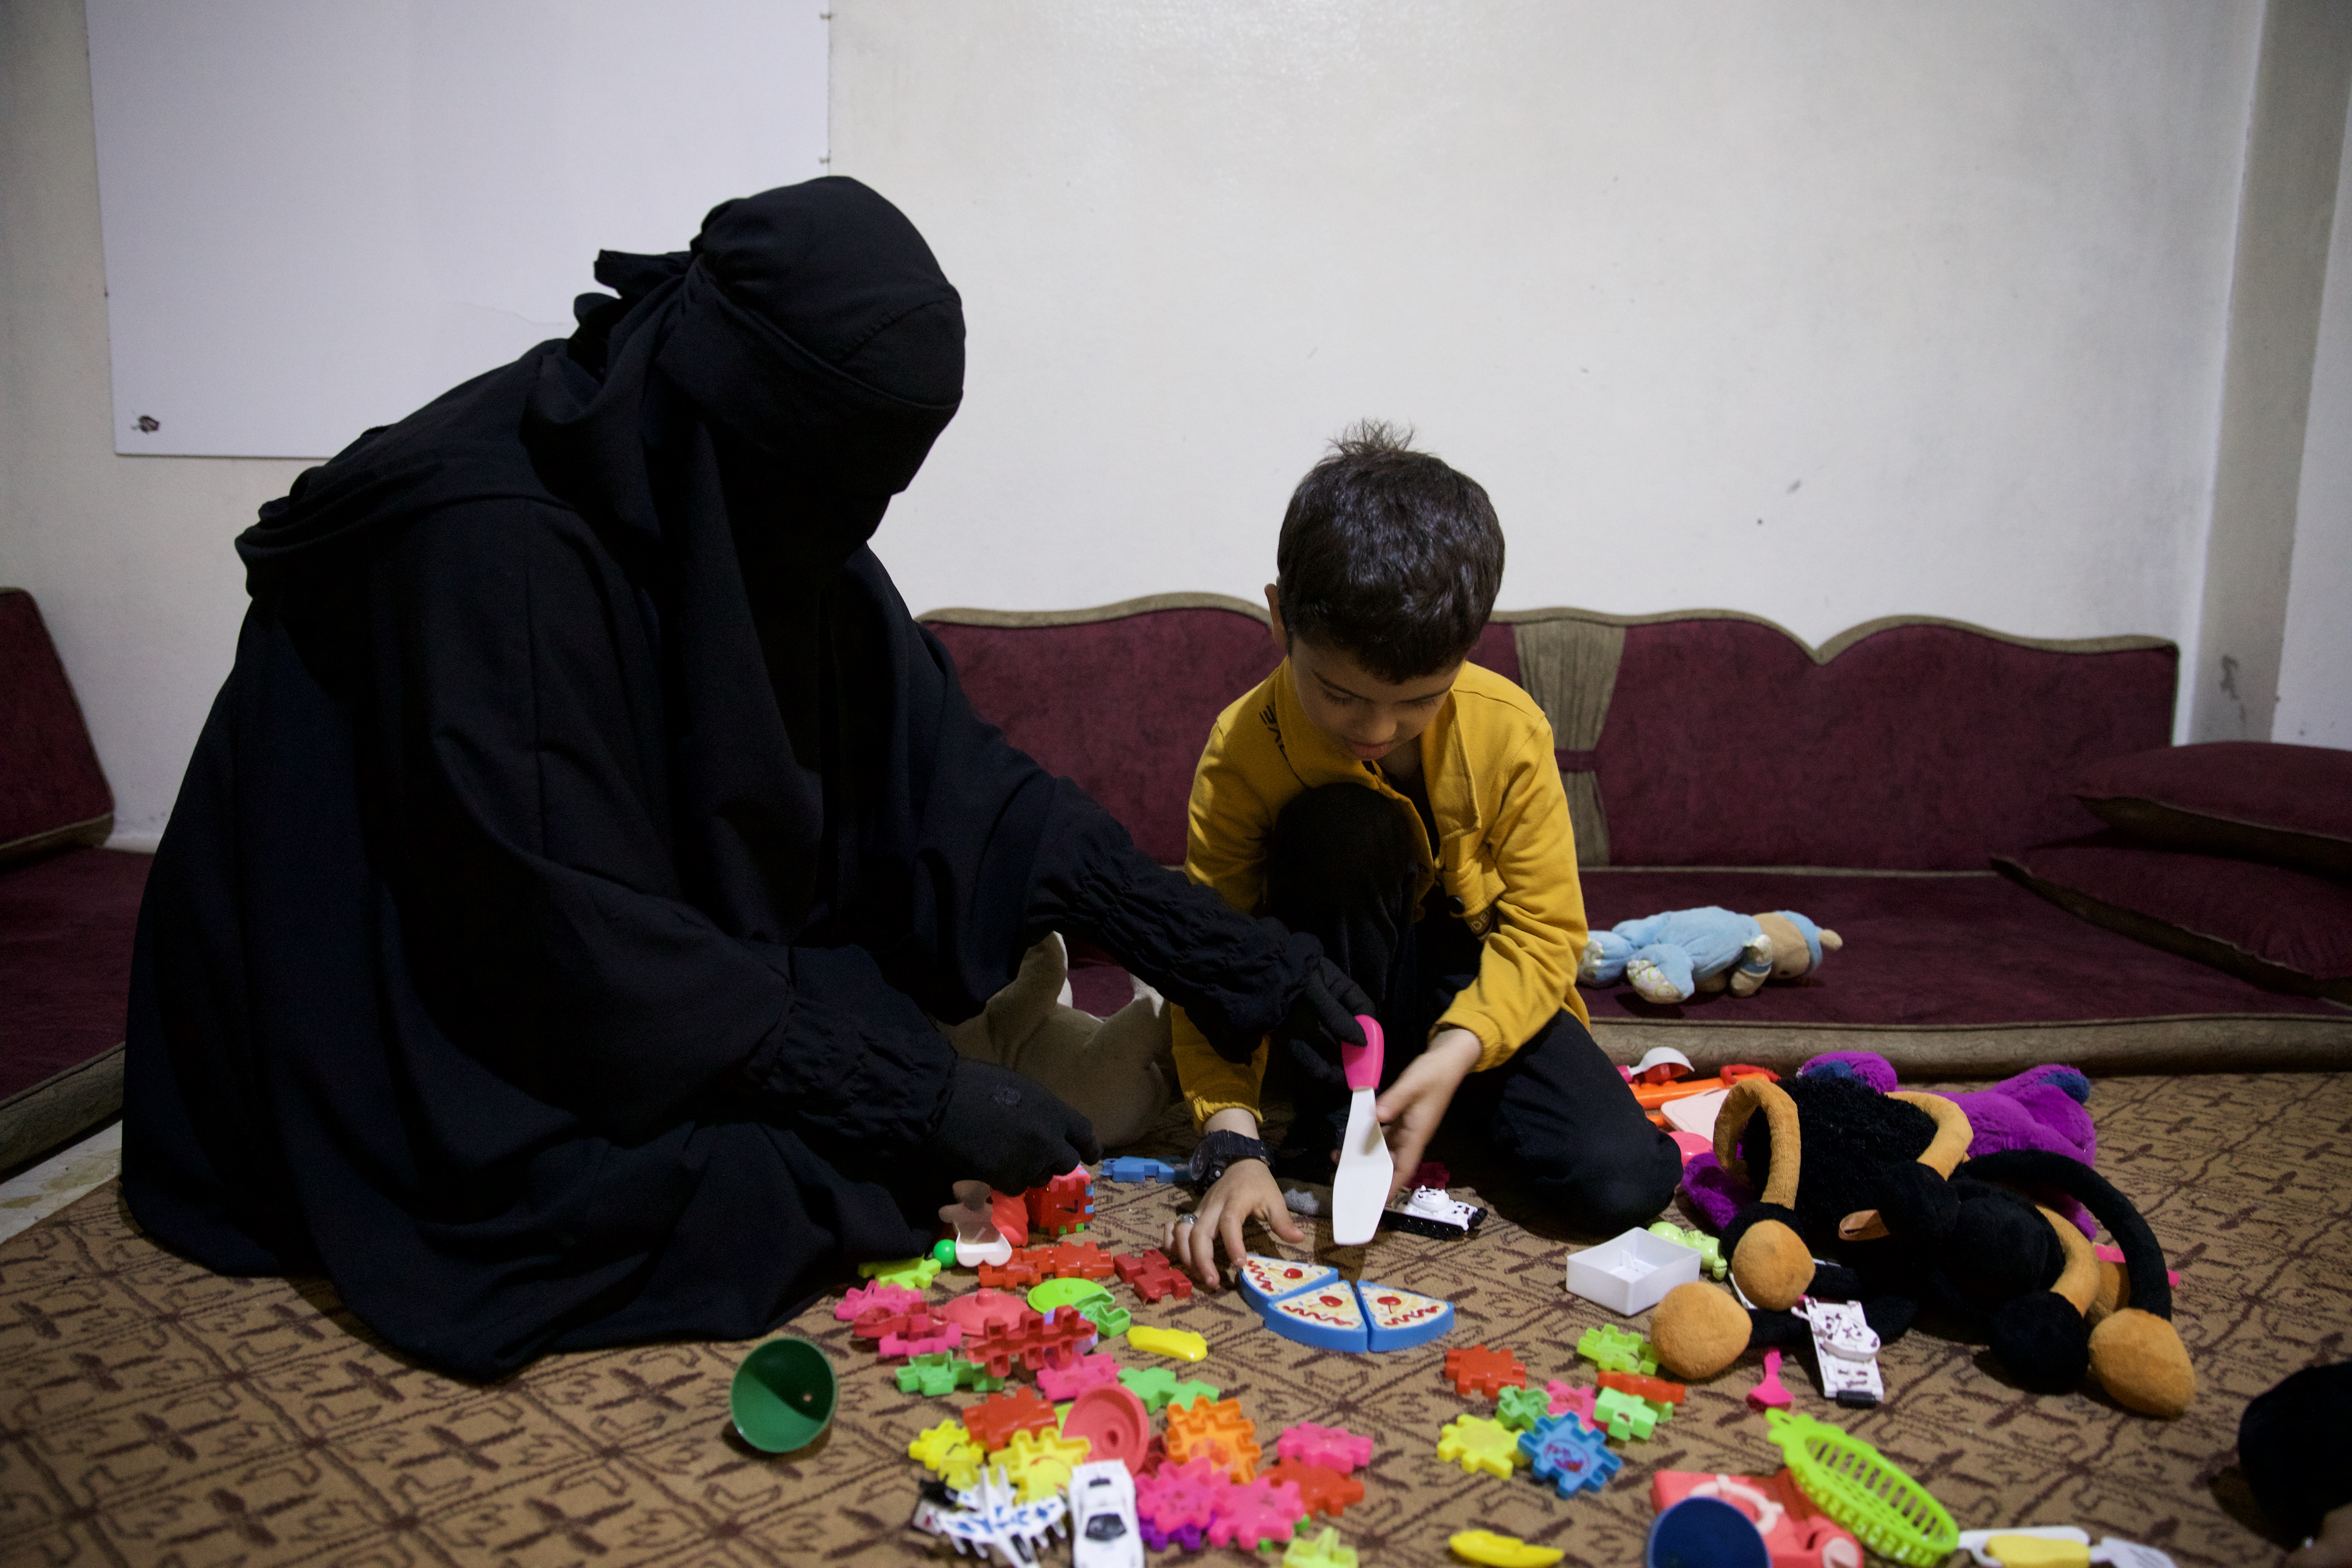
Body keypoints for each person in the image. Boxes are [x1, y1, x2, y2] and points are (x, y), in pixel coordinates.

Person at [123, 179, 1365, 1379]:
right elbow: (565, 939)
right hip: (404, 982)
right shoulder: (492, 545)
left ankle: (977, 1062)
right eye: (848, 481)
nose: (856, 522)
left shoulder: (740, 475)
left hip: (586, 929)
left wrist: (1236, 960)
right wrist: (919, 1096)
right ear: (772, 420)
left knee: (884, 1055)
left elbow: (955, 775)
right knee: (750, 1186)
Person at [1165, 423, 1682, 1286]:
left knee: (1624, 1181)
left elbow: (1548, 932)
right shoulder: (1241, 748)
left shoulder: (1507, 727)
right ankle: (1344, 1108)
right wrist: (1230, 1136)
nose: (1373, 730)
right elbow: (1211, 950)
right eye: (1338, 693)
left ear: (1468, 648)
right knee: (1340, 825)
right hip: (1331, 1000)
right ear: (1279, 614)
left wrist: (1460, 1050)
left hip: (1466, 996)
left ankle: (1429, 1096)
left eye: (1416, 702)